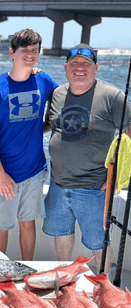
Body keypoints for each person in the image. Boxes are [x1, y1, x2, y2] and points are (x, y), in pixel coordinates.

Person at [43, 43, 131, 274]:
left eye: (86, 64)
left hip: (95, 187)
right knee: (61, 232)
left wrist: (119, 180)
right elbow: (49, 126)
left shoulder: (113, 96)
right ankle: (66, 278)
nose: (79, 68)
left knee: (98, 241)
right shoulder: (57, 94)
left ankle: (104, 285)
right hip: (58, 183)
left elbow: (130, 136)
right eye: (74, 64)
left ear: (96, 68)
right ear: (65, 67)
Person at [0, 29, 58, 260]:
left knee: (27, 223)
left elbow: (63, 102)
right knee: (1, 226)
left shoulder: (44, 80)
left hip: (33, 170)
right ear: (12, 53)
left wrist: (46, 127)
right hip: (3, 174)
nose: (30, 55)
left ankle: (26, 271)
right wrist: (1, 174)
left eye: (34, 51)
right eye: (25, 50)